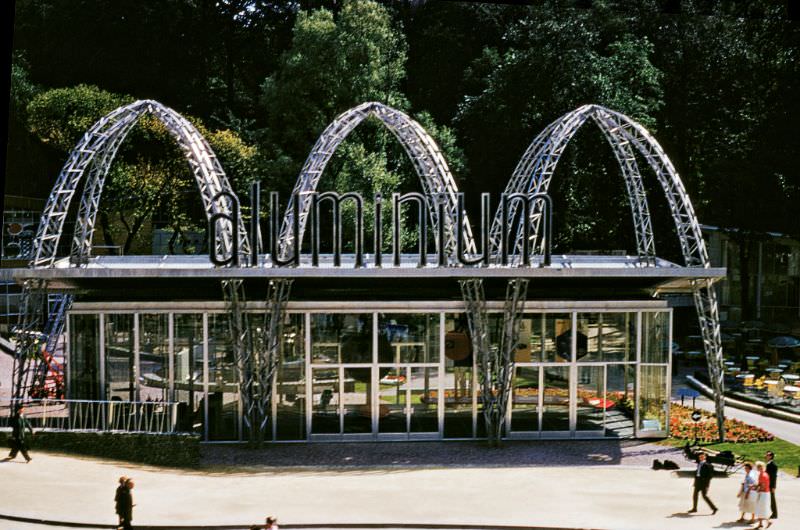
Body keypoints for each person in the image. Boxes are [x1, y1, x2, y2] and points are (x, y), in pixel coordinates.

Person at [753, 461, 772, 528]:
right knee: (760, 508)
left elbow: (763, 486)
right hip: (764, 493)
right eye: (758, 467)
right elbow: (760, 484)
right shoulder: (762, 474)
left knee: (762, 508)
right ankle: (760, 524)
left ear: (763, 467)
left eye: (760, 467)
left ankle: (768, 521)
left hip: (764, 494)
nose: (759, 468)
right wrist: (755, 486)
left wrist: (757, 490)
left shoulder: (763, 475)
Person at [765, 451, 778, 519]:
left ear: (771, 456)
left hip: (770, 485)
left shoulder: (773, 465)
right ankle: (770, 512)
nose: (766, 456)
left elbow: (774, 477)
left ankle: (774, 514)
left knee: (772, 499)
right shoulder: (768, 464)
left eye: (767, 455)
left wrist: (773, 486)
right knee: (769, 498)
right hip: (767, 484)